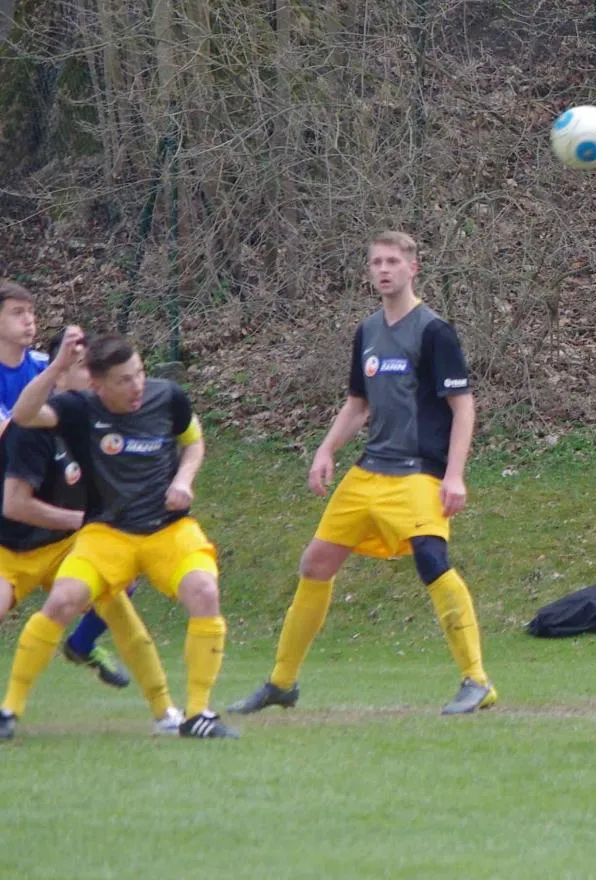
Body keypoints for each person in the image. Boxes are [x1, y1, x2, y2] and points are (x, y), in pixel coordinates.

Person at [230, 232, 492, 718]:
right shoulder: (367, 331)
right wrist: (326, 450)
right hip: (369, 470)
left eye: (393, 261)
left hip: (418, 472)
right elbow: (357, 405)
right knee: (315, 564)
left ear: (413, 268)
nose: (384, 269)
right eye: (376, 262)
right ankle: (281, 683)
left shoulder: (434, 331)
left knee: (431, 558)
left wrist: (454, 475)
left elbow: (463, 407)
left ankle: (476, 681)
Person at [0, 329, 235, 740]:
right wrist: (56, 367)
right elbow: (23, 415)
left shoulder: (168, 397)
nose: (137, 385)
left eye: (139, 372)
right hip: (106, 535)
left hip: (168, 530)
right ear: (98, 385)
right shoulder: (79, 410)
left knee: (204, 591)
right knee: (64, 600)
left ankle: (197, 713)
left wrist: (184, 479)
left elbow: (194, 441)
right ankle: (9, 711)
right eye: (124, 380)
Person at [0, 282, 130, 688]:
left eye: (31, 312)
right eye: (17, 312)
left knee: (121, 570)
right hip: (9, 527)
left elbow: (80, 401)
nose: (29, 320)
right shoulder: (48, 372)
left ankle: (82, 643)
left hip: (53, 527)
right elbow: (14, 429)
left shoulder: (46, 364)